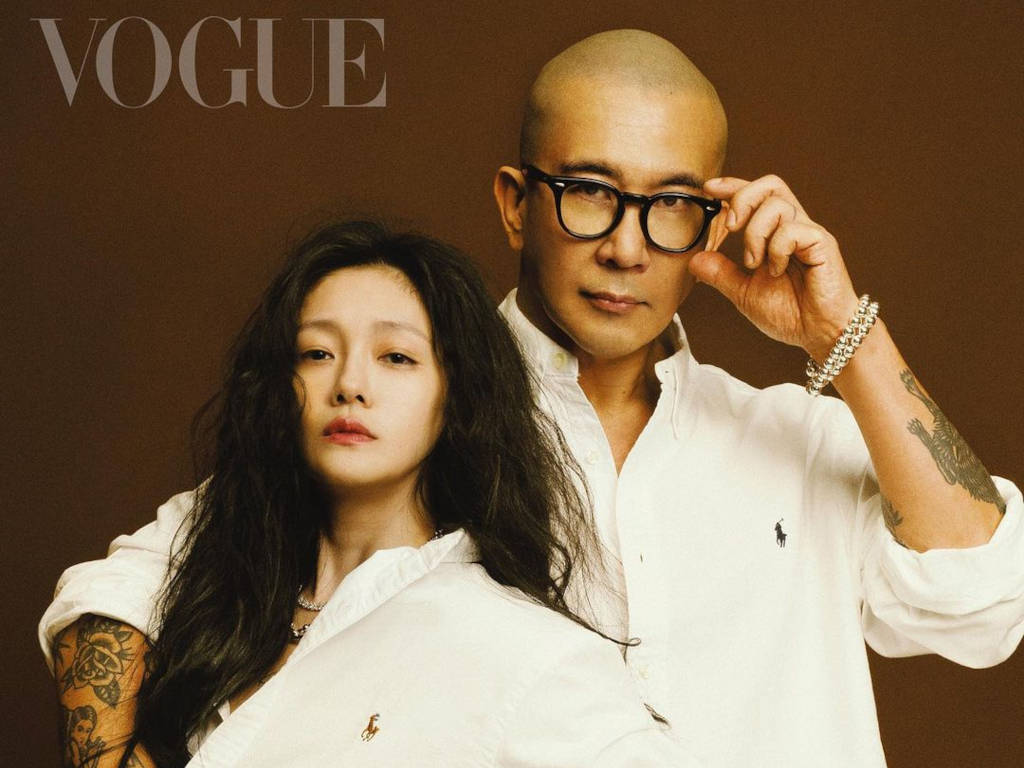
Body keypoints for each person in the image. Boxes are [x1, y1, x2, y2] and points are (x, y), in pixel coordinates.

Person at [41, 29, 1024, 768]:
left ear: (709, 220)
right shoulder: (409, 420)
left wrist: (841, 333)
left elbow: (987, 603)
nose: (627, 247)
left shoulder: (796, 439)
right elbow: (120, 591)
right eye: (590, 191)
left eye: (670, 205)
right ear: (516, 203)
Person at [44, 220, 693, 767]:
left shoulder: (522, 651)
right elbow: (102, 591)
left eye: (396, 357)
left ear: (456, 395)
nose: (350, 384)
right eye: (316, 353)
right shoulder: (227, 567)